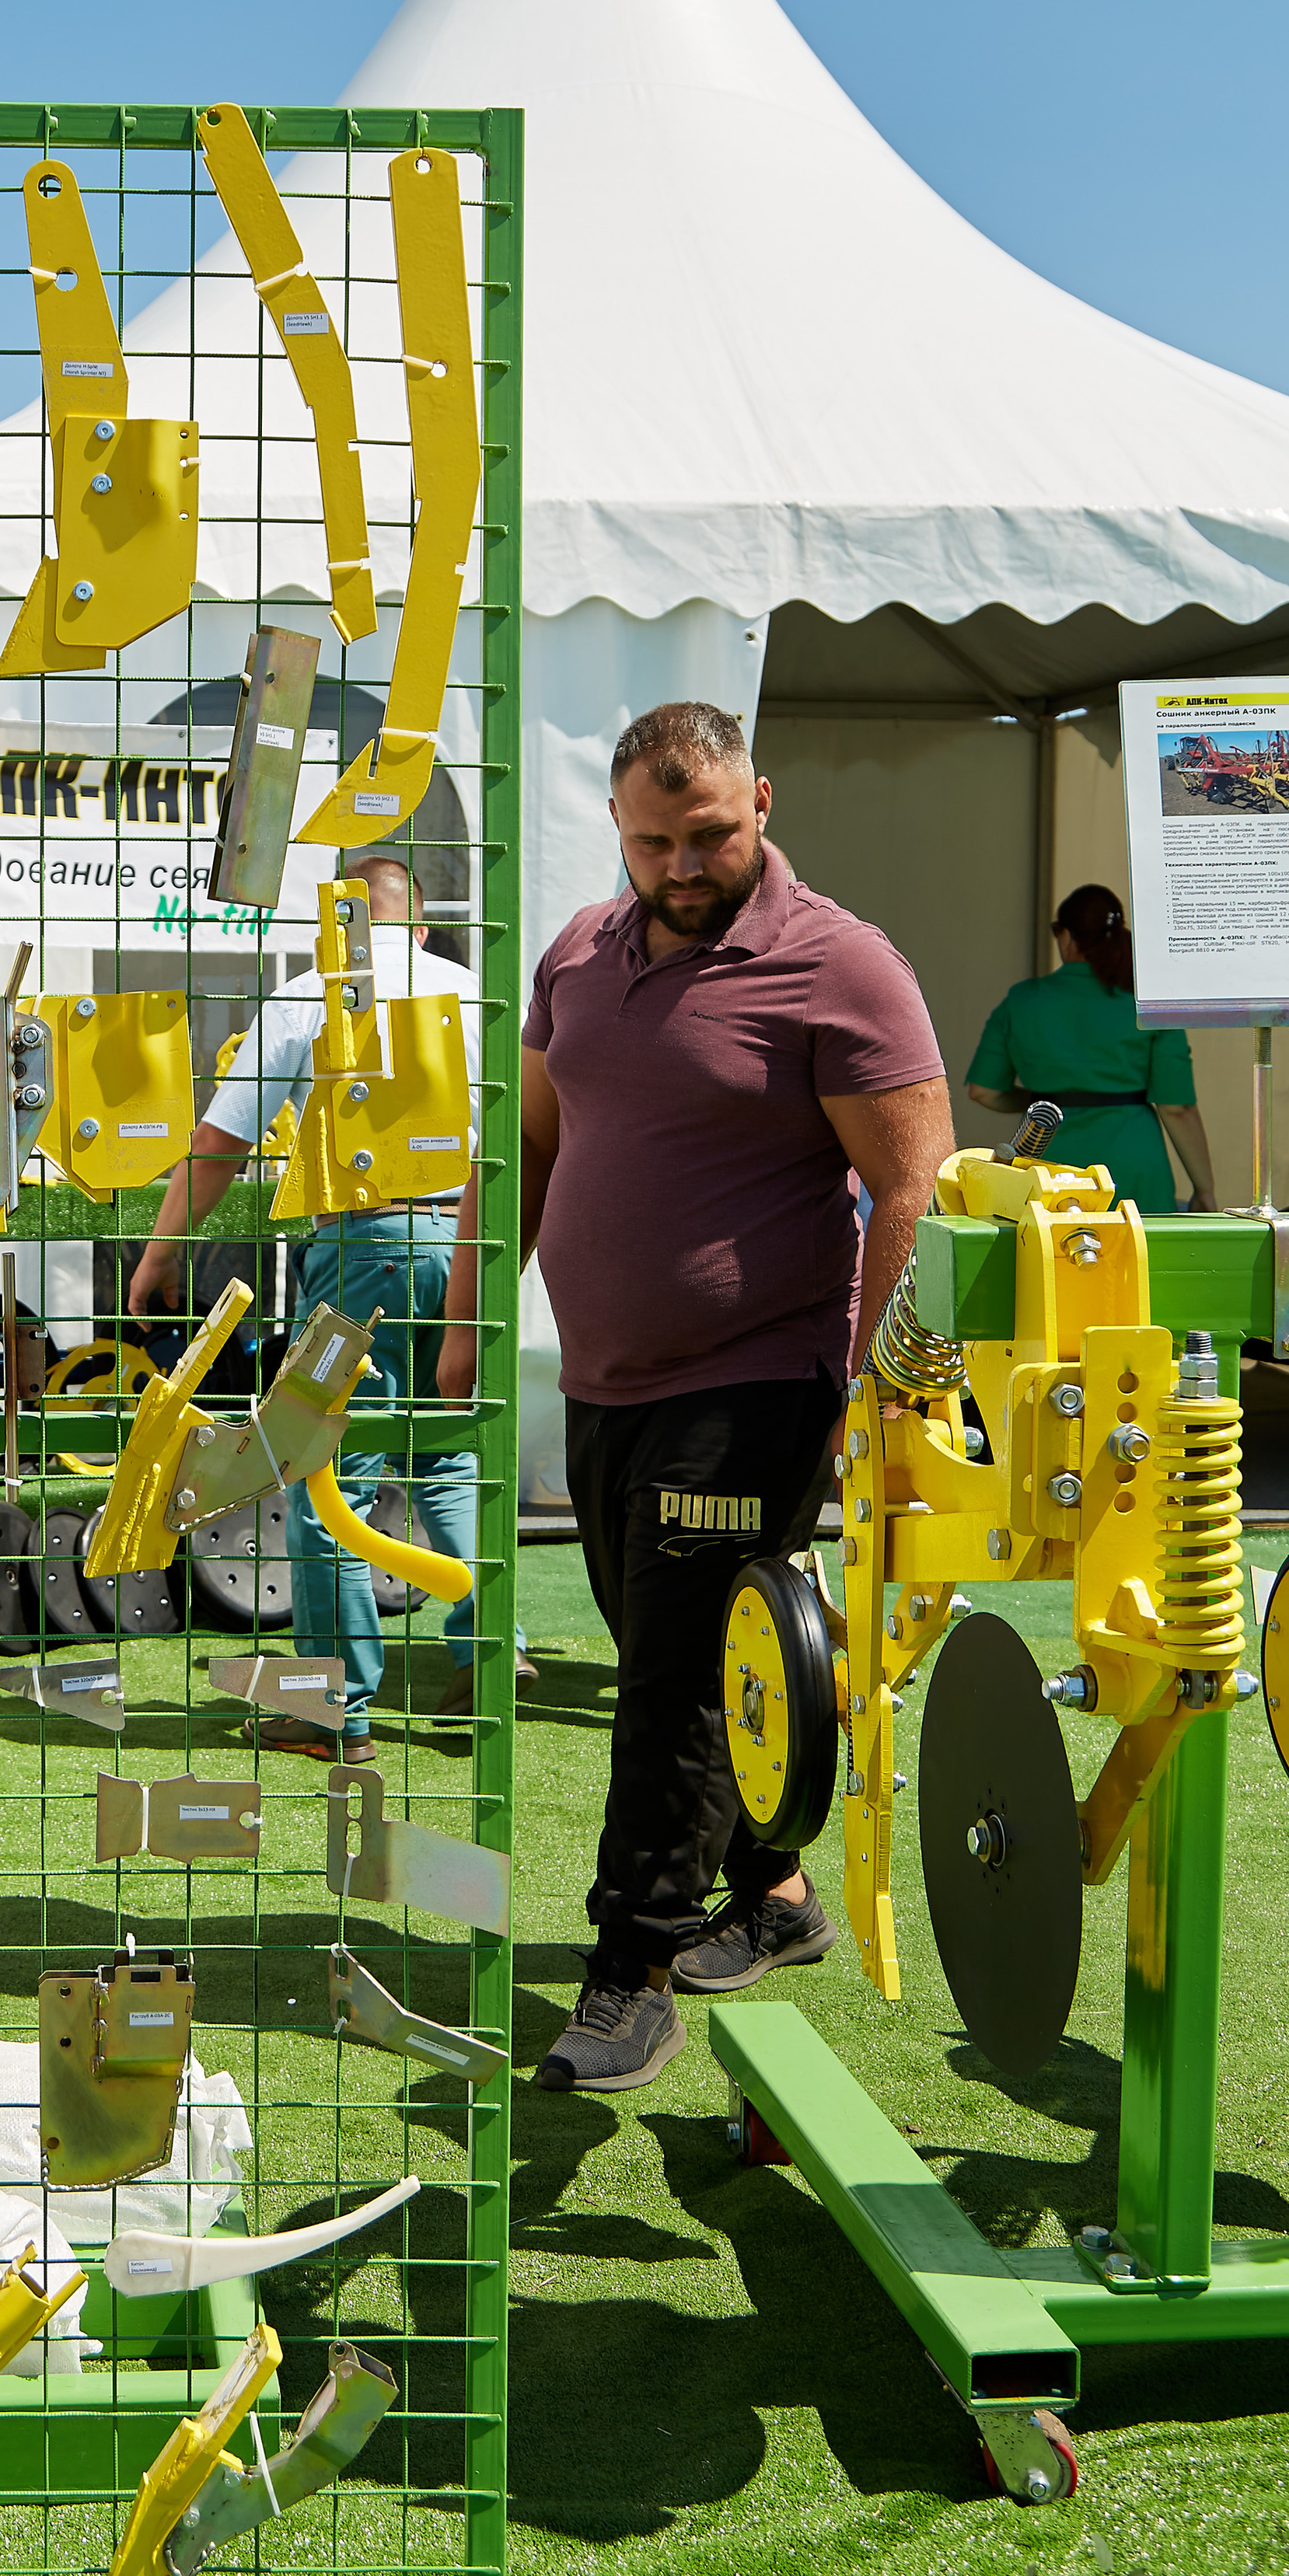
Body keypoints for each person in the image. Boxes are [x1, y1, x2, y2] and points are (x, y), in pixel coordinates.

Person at [436, 702, 954, 2093]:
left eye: (710, 832)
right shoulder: (577, 958)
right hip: (607, 1385)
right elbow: (534, 1142)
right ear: (617, 827)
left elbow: (915, 1184)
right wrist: (468, 1318)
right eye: (654, 839)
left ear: (764, 804)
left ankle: (632, 1972)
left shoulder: (841, 967)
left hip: (762, 1380)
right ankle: (775, 1895)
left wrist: (883, 1390)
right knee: (692, 1654)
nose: (682, 862)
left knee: (665, 1683)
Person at [126, 855, 528, 1764]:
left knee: (325, 1478)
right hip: (474, 1248)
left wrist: (157, 1259)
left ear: (336, 925)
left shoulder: (313, 994)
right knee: (449, 1457)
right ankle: (488, 1646)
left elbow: (217, 1141)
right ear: (421, 928)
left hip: (363, 1247)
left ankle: (333, 1709)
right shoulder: (479, 1000)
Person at [965, 885, 1216, 1212]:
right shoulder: (1146, 1004)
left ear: (1066, 936)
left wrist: (1044, 1102)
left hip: (1049, 1163)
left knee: (1050, 1259)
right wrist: (1204, 1190)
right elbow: (1176, 1109)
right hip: (1134, 1163)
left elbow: (983, 1091)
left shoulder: (1023, 1001)